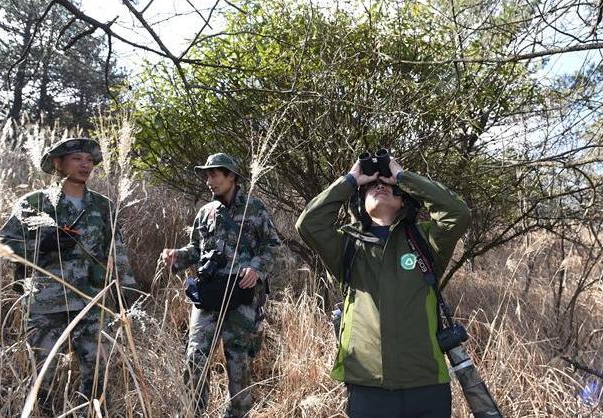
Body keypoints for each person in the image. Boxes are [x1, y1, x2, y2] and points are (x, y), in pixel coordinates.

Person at [295, 151, 470, 418]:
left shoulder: (425, 241)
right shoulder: (346, 245)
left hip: (426, 383)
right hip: (367, 385)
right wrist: (351, 179)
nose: (380, 186)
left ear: (403, 202)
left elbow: (457, 213)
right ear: (360, 202)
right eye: (371, 187)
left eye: (390, 187)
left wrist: (401, 175)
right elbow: (308, 223)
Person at [0, 137, 140, 413]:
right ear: (58, 163)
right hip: (46, 303)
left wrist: (126, 292)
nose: (85, 164)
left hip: (91, 302)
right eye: (77, 158)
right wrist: (43, 244)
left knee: (97, 375)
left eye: (89, 160)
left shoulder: (102, 206)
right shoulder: (34, 203)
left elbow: (117, 251)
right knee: (43, 377)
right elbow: (3, 245)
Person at [162, 153, 281, 418]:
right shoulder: (206, 212)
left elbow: (274, 247)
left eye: (214, 174)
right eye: (207, 175)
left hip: (242, 298)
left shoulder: (255, 208)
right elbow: (195, 249)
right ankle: (193, 412)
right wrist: (175, 256)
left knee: (239, 364)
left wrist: (257, 269)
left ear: (232, 177)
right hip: (209, 295)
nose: (209, 181)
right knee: (194, 359)